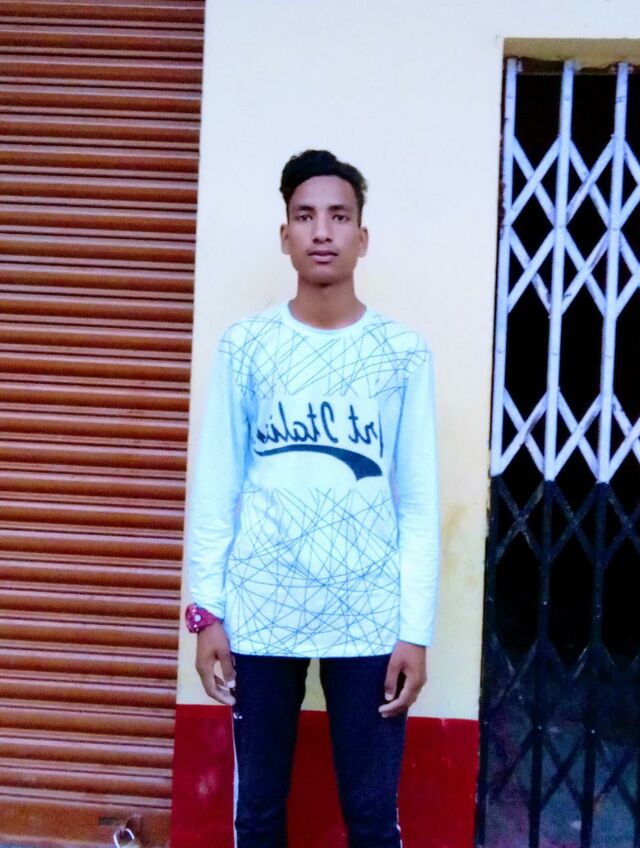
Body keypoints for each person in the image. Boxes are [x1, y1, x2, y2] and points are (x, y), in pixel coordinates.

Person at [185, 149, 440, 848]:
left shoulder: (401, 354)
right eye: (305, 216)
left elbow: (419, 504)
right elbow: (217, 488)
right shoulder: (247, 347)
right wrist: (207, 613)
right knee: (258, 816)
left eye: (339, 216)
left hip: (368, 616)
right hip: (262, 612)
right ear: (285, 235)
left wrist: (414, 630)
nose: (322, 231)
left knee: (372, 819)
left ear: (363, 236)